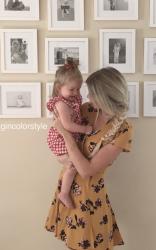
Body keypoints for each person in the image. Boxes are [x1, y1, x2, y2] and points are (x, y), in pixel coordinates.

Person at [44, 67, 134, 250]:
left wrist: (64, 133)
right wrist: (62, 156)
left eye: (92, 93)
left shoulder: (123, 130)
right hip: (67, 192)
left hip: (90, 200)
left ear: (105, 96)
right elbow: (58, 125)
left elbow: (86, 171)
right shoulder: (88, 111)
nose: (88, 97)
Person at [46, 57, 93, 209]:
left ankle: (67, 191)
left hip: (68, 136)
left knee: (74, 165)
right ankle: (64, 193)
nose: (75, 93)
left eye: (78, 89)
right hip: (60, 138)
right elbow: (67, 125)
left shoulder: (73, 100)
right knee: (72, 165)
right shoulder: (61, 103)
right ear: (59, 88)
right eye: (71, 89)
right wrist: (85, 129)